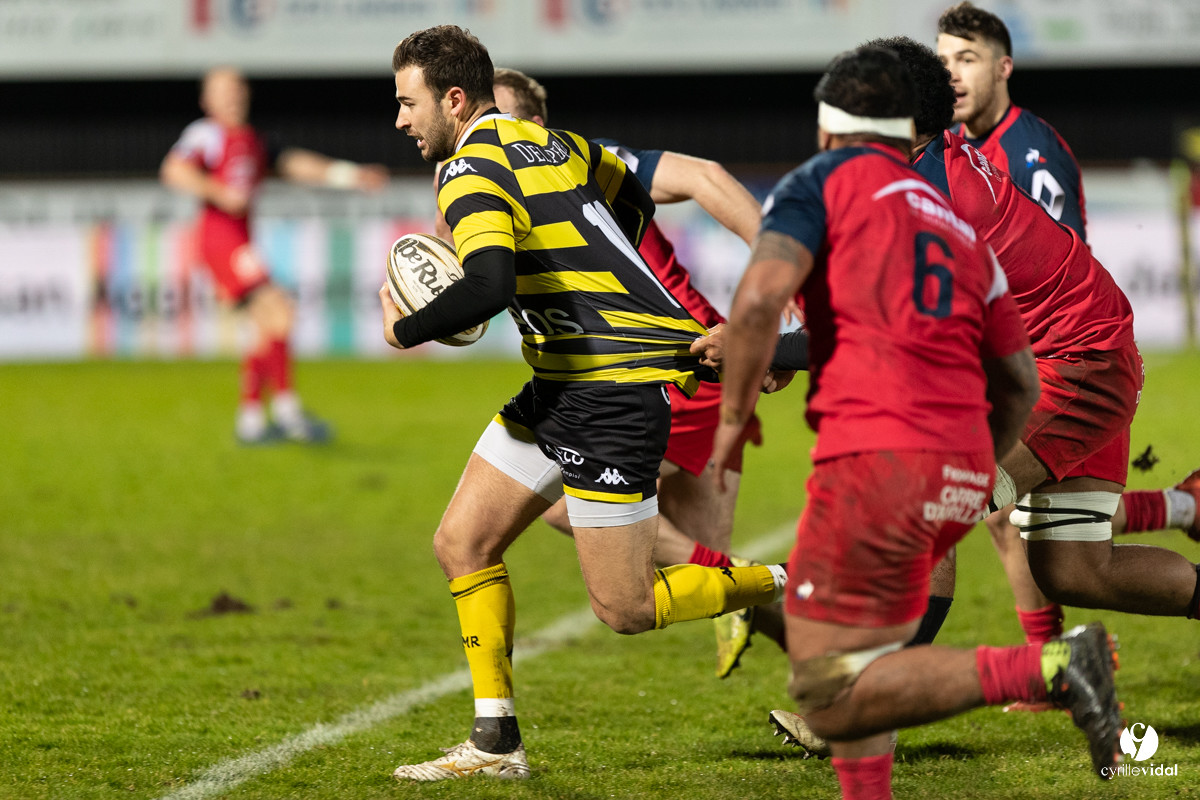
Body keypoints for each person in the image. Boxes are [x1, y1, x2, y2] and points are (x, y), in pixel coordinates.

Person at [381, 25, 786, 782]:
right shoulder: (556, 144)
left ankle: (792, 583)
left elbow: (488, 288)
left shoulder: (466, 170)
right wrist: (595, 276)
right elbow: (630, 195)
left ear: (455, 99)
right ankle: (496, 744)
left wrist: (403, 327)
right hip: (560, 380)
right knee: (462, 543)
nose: (401, 119)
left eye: (409, 102)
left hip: (610, 393)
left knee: (625, 608)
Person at [712, 45, 1119, 797]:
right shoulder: (946, 203)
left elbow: (789, 305)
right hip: (1001, 415)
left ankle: (1039, 669)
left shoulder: (858, 185)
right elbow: (1006, 372)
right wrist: (975, 465)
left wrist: (743, 393)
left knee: (844, 657)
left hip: (985, 407)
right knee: (1061, 576)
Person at [435, 66, 779, 677]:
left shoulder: (580, 162)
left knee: (589, 534)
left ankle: (772, 587)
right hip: (634, 368)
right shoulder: (492, 177)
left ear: (534, 125)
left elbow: (704, 175)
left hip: (672, 362)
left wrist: (782, 266)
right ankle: (823, 656)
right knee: (693, 561)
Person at [160, 67, 389, 445]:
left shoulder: (252, 140)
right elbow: (173, 170)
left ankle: (251, 422)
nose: (233, 95)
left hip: (239, 241)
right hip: (221, 242)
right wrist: (219, 192)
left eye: (237, 87)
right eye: (222, 89)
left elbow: (295, 164)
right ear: (207, 100)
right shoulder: (206, 134)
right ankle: (287, 413)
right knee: (279, 311)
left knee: (267, 327)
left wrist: (351, 176)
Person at [937, 2, 1087, 240]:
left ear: (1003, 68)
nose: (951, 75)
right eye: (943, 62)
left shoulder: (1034, 151)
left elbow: (1066, 257)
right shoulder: (943, 148)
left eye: (966, 60)